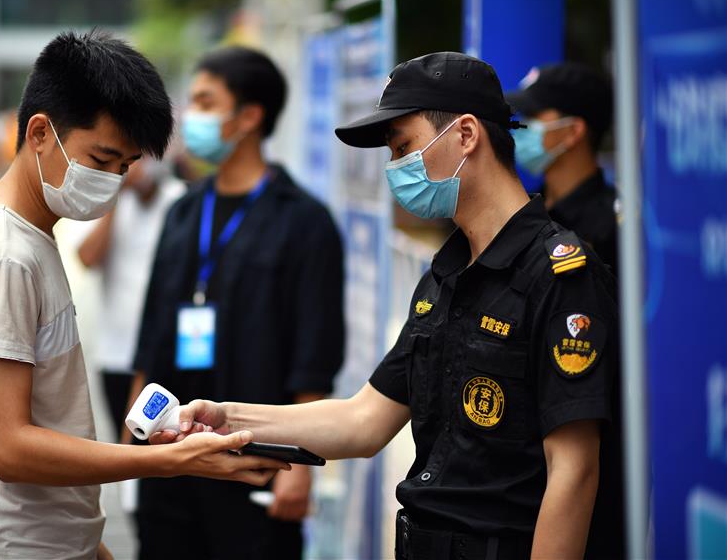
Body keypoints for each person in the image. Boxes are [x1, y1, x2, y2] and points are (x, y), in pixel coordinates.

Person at [161, 52, 623, 560]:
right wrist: (228, 417)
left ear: (466, 135)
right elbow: (362, 421)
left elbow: (575, 472)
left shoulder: (561, 274)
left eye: (403, 146)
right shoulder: (444, 276)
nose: (395, 167)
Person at [0, 31, 288, 560]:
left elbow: (46, 422)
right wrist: (171, 461)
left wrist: (87, 539)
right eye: (100, 159)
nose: (110, 180)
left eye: (123, 167)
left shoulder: (29, 237)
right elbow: (9, 447)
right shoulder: (3, 256)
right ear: (39, 133)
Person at [128, 46, 345, 560]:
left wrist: (303, 468)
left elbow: (314, 354)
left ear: (249, 116)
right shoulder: (184, 212)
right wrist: (130, 448)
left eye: (206, 102)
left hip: (256, 460)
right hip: (170, 453)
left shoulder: (305, 221)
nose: (191, 116)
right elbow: (153, 327)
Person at [77, 158, 186, 436]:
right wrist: (115, 198)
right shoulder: (111, 205)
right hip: (116, 354)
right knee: (125, 441)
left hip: (164, 353)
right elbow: (87, 257)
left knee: (162, 442)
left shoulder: (181, 201)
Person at [506, 63, 619, 274]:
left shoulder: (613, 228)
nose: (521, 126)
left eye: (533, 115)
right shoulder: (522, 209)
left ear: (573, 131)